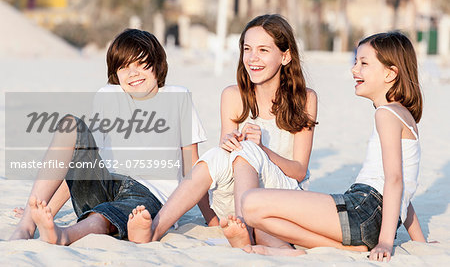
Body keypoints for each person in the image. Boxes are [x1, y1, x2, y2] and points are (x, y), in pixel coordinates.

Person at [126, 14, 318, 247]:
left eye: (263, 50)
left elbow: (299, 171)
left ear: (285, 56)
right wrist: (229, 144)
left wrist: (261, 150)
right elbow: (225, 162)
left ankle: (246, 230)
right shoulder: (233, 96)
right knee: (217, 155)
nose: (252, 58)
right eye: (247, 49)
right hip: (237, 196)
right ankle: (155, 230)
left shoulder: (305, 99)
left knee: (247, 150)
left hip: (282, 197)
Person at [239, 31, 428, 261]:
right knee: (261, 220)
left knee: (250, 203)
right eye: (356, 61)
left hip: (364, 209)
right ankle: (345, 248)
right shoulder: (403, 115)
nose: (354, 69)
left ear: (390, 73)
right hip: (370, 215)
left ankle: (347, 248)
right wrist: (420, 242)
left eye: (364, 63)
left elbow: (395, 180)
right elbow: (404, 191)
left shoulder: (386, 115)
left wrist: (386, 242)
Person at [8, 29, 207, 245]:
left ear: (158, 65)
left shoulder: (178, 97)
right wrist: (47, 210)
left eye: (141, 64)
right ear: (115, 72)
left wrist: (210, 217)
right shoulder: (108, 97)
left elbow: (192, 165)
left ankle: (64, 235)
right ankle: (26, 225)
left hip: (147, 195)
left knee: (101, 217)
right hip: (105, 183)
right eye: (124, 67)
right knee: (69, 125)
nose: (133, 73)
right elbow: (80, 159)